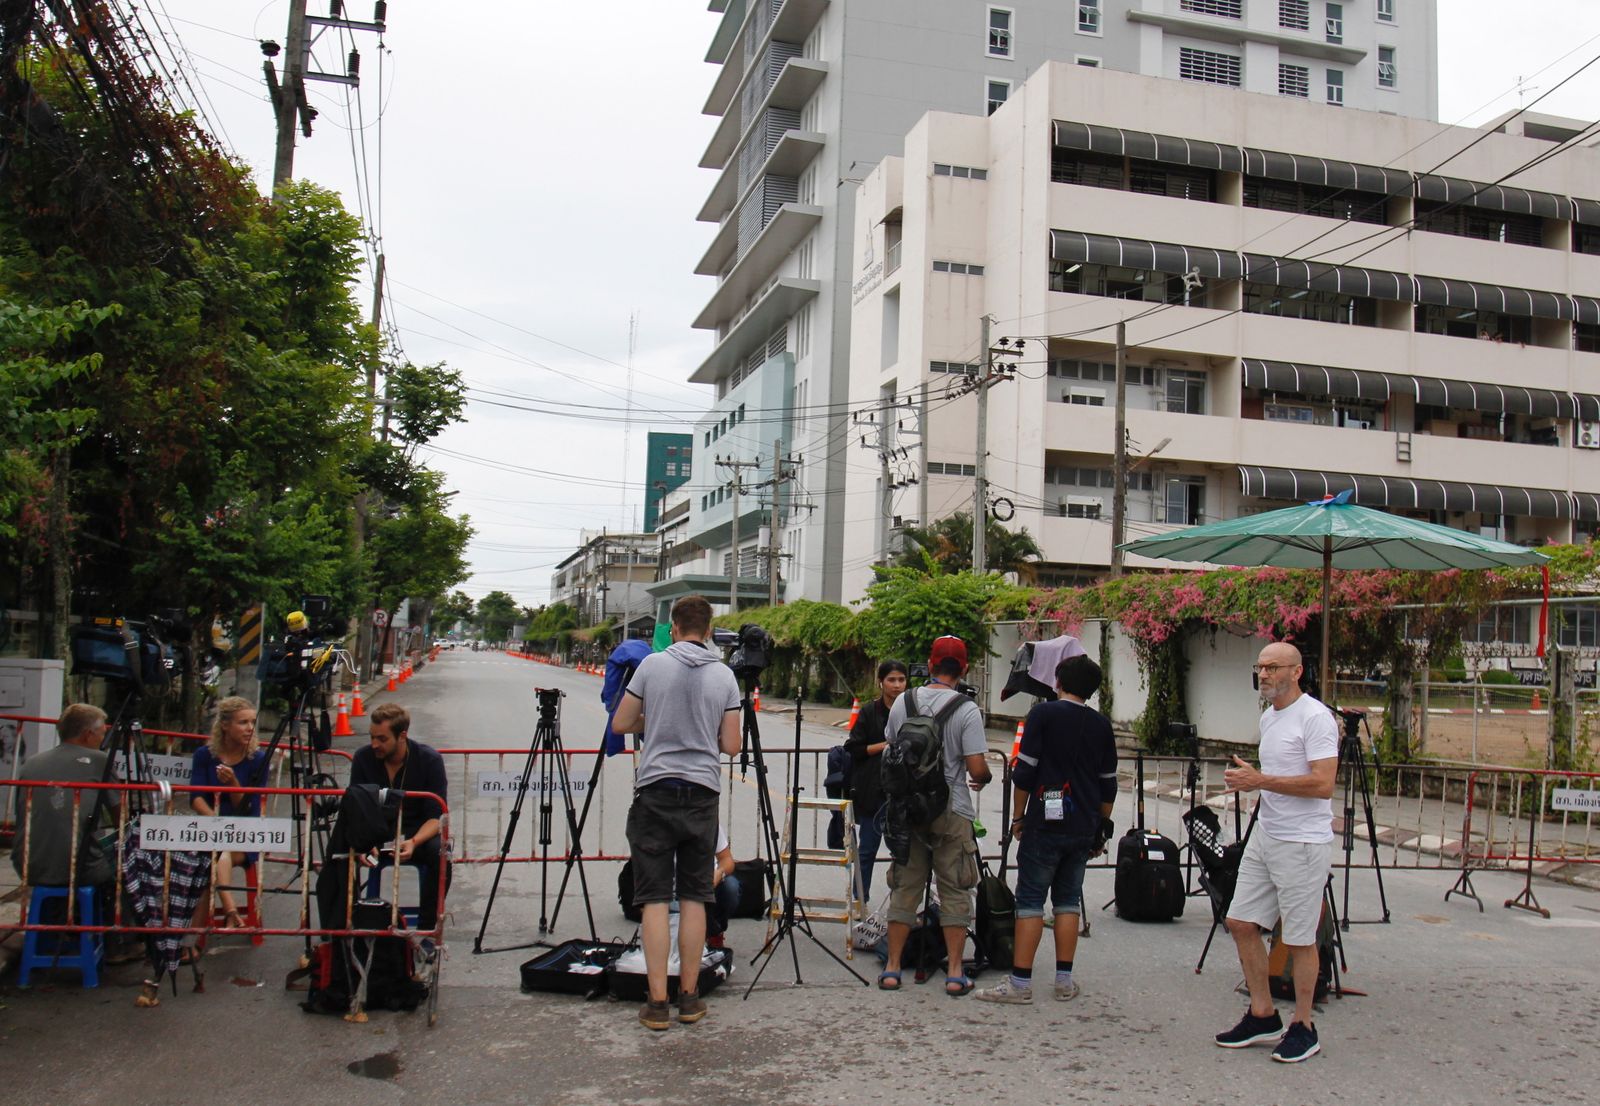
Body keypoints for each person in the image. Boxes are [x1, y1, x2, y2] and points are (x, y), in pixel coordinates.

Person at [609, 594, 741, 1031]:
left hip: (656, 791)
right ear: (708, 629)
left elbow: (622, 723)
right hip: (701, 793)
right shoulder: (724, 676)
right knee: (695, 897)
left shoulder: (651, 666)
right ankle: (690, 998)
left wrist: (658, 719)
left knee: (652, 898)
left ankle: (657, 1002)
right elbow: (732, 745)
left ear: (672, 627)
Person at [1215, 641, 1338, 1063]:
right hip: (1268, 835)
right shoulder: (1269, 717)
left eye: (1272, 667)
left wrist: (1260, 780)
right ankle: (1263, 1014)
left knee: (1300, 937)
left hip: (1302, 842)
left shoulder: (1316, 718)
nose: (1263, 674)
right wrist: (1253, 781)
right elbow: (1274, 776)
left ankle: (1303, 1026)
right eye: (1260, 666)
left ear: (1296, 671)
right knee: (1240, 921)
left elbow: (1323, 784)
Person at [976, 654, 1117, 1006]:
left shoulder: (1042, 715)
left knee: (1030, 901)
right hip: (1083, 822)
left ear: (1059, 682)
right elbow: (1108, 784)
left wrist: (1019, 816)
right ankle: (1064, 982)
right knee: (1068, 902)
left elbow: (1025, 772)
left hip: (1045, 820)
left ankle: (1021, 983)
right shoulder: (1101, 725)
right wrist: (1100, 825)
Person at [878, 636, 991, 997]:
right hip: (952, 809)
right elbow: (976, 768)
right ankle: (956, 972)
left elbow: (892, 749)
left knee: (905, 887)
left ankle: (893, 968)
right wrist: (985, 777)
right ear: (965, 668)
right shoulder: (967, 709)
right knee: (955, 887)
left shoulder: (903, 703)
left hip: (908, 809)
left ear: (929, 665)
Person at [349, 703, 451, 934]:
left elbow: (436, 817)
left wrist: (414, 842)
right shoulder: (363, 758)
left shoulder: (429, 760)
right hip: (374, 831)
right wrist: (363, 843)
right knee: (340, 851)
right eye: (372, 737)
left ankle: (425, 930)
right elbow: (355, 809)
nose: (375, 744)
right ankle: (348, 923)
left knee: (441, 854)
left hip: (416, 832)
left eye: (382, 739)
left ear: (402, 735)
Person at [11, 704, 116, 889]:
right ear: (88, 734)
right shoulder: (99, 760)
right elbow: (121, 815)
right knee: (130, 866)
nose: (103, 739)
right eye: (102, 733)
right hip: (80, 867)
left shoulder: (31, 763)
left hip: (26, 864)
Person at [189, 696, 270, 927]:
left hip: (245, 832)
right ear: (224, 725)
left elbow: (250, 806)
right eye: (242, 722)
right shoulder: (204, 755)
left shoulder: (258, 759)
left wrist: (233, 782)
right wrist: (216, 824)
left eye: (252, 722)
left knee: (221, 854)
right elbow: (196, 798)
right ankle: (229, 913)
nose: (249, 728)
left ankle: (227, 913)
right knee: (212, 856)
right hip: (209, 828)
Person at [843, 659, 908, 900]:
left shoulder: (912, 711)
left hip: (903, 792)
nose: (897, 685)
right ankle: (860, 899)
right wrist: (886, 745)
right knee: (867, 850)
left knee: (904, 853)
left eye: (901, 679)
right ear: (881, 682)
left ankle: (901, 904)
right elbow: (854, 748)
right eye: (891, 679)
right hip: (874, 792)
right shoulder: (870, 712)